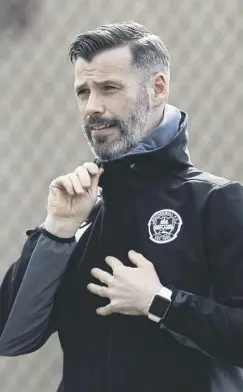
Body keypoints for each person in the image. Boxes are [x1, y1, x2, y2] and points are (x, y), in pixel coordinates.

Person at [1, 21, 243, 392]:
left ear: (157, 88)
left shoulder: (216, 202)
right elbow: (11, 336)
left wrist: (160, 302)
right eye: (83, 92)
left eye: (109, 88)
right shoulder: (83, 211)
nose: (92, 107)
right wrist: (57, 229)